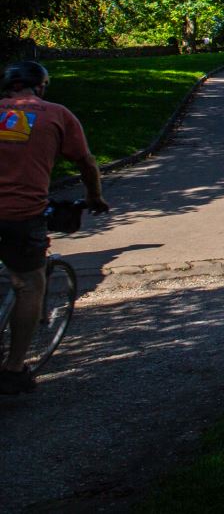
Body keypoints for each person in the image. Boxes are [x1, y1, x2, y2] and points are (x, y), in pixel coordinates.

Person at [0, 61, 108, 395]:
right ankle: (14, 369)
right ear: (41, 86)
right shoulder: (56, 115)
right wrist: (94, 197)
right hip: (20, 215)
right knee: (29, 284)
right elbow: (86, 162)